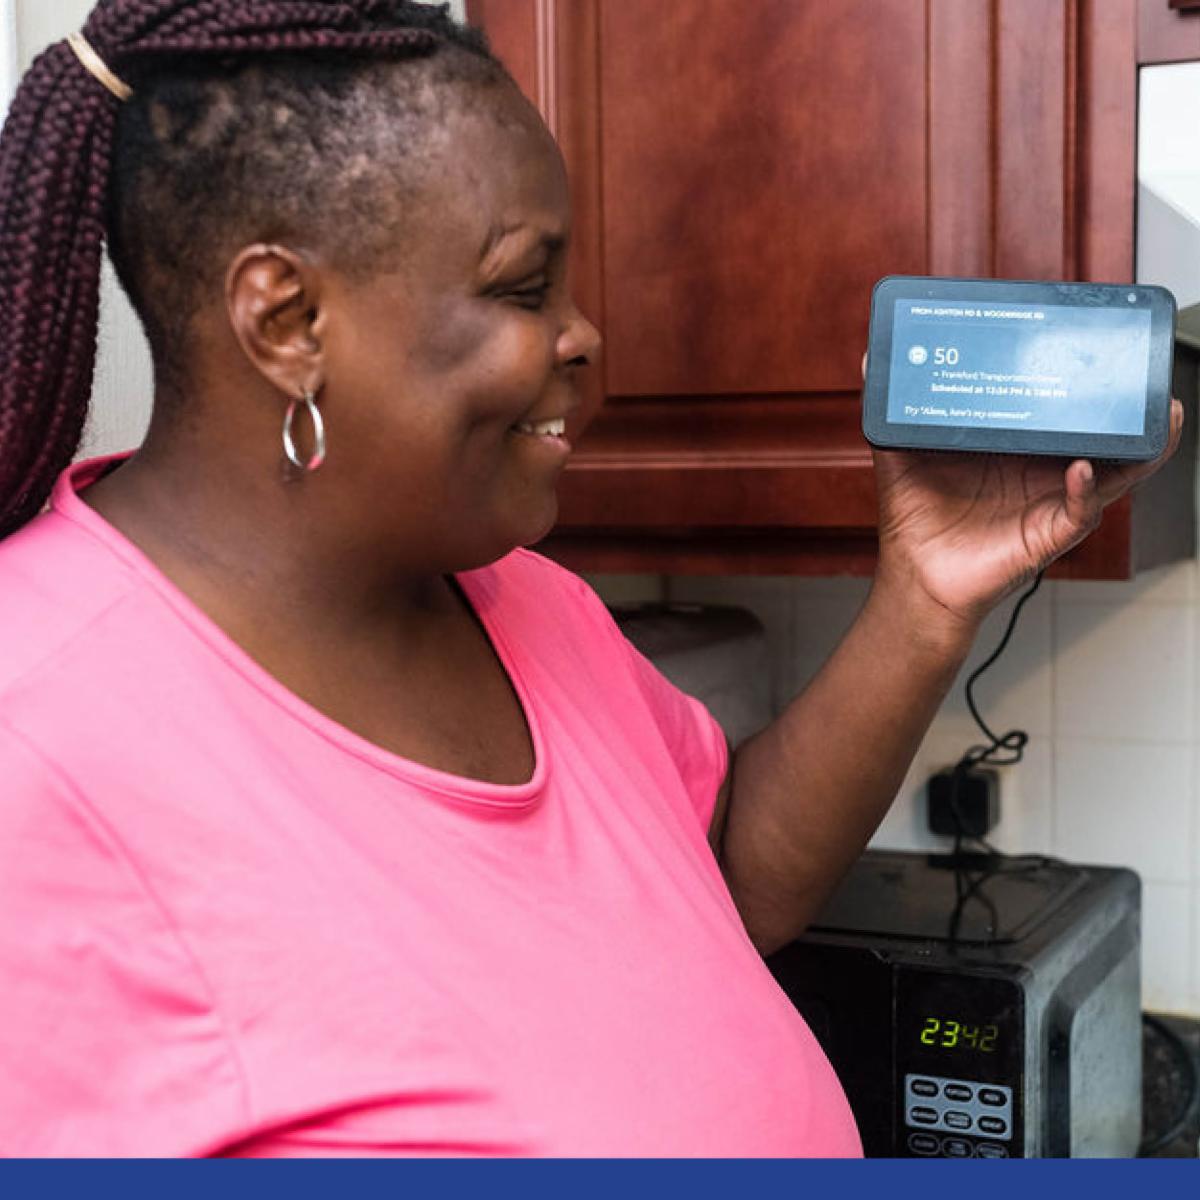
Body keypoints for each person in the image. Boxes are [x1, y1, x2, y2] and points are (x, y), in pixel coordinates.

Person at [0, 0, 1181, 1158]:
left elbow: (720, 879)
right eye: (524, 288)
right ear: (289, 319)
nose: (585, 337)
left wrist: (924, 600)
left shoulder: (520, 595)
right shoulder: (36, 744)